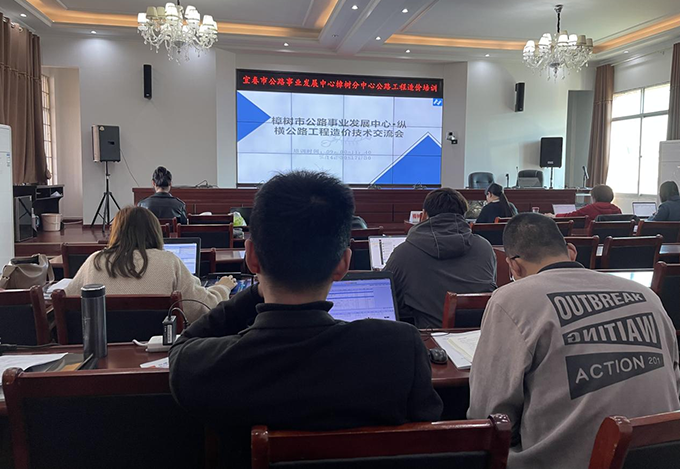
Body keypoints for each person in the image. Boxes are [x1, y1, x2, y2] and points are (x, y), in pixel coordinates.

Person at [169, 171, 442, 467]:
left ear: (251, 257)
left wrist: (253, 293)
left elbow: (183, 346)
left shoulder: (205, 366)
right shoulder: (400, 348)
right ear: (343, 264)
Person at [468, 213, 680, 469]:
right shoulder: (647, 296)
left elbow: (490, 417)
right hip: (660, 456)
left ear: (514, 266)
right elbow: (674, 382)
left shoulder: (510, 300)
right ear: (571, 252)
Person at [65, 207, 235, 323]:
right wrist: (223, 288)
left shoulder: (95, 261)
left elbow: (67, 302)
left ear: (115, 232)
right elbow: (202, 308)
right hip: (160, 352)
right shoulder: (169, 261)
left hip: (101, 353)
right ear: (155, 231)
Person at [384, 188, 496, 328]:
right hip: (479, 335)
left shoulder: (404, 253)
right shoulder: (484, 248)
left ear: (423, 215)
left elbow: (389, 300)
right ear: (463, 215)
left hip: (428, 337)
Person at [549, 184, 621, 225]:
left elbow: (571, 216)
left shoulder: (592, 208)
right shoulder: (617, 210)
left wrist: (554, 216)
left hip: (592, 241)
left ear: (594, 197)